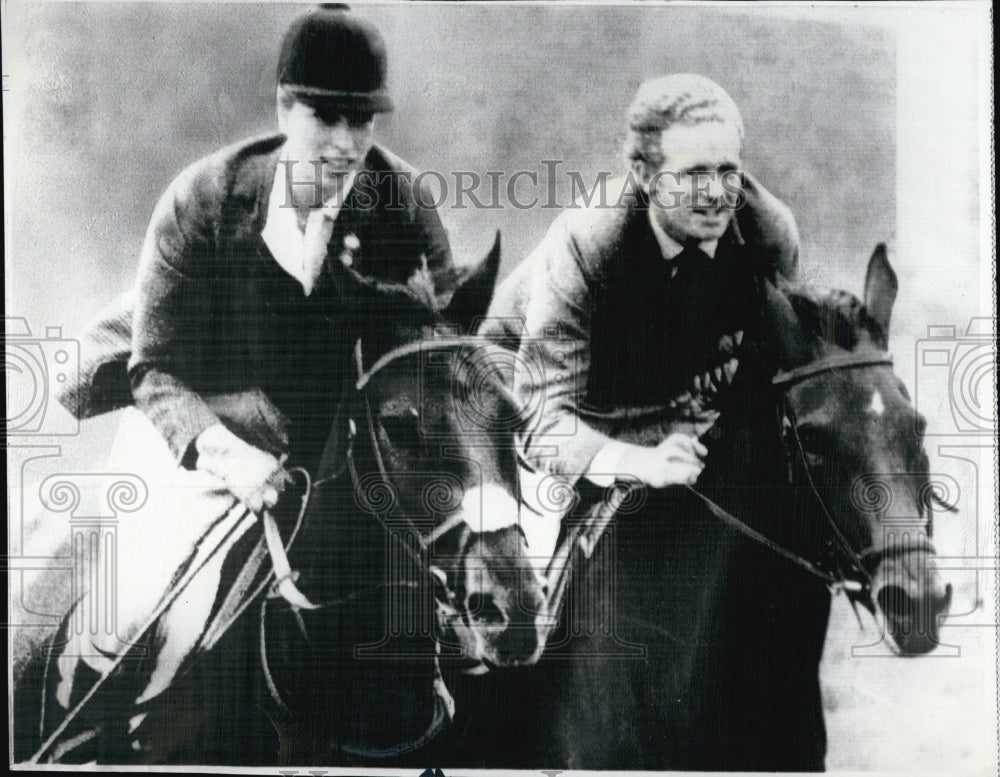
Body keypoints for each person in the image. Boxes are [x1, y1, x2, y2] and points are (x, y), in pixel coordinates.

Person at [18, 5, 456, 760]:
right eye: (325, 117)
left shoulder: (403, 201)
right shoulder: (204, 198)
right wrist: (228, 454)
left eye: (363, 120)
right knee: (135, 607)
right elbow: (152, 370)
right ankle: (83, 737)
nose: (346, 143)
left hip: (327, 436)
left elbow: (440, 343)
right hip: (192, 419)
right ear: (284, 109)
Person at [486, 74, 799, 493]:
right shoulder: (588, 239)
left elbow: (786, 377)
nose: (716, 193)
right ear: (644, 174)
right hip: (534, 396)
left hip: (663, 396)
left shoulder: (768, 233)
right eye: (693, 174)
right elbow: (542, 420)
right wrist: (637, 462)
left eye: (728, 171)